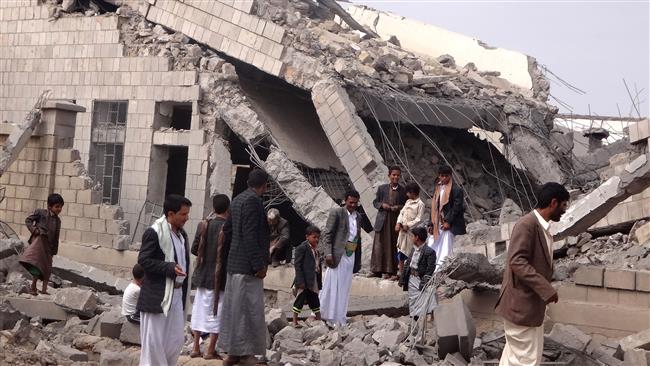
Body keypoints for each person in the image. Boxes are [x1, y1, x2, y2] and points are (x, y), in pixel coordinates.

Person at [495, 182, 569, 366]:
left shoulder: (539, 226)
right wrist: (546, 289)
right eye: (563, 205)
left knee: (516, 357)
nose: (565, 210)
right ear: (553, 203)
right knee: (526, 360)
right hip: (521, 305)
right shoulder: (526, 224)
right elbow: (517, 261)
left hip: (529, 305)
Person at [218, 169, 270, 366]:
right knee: (248, 311)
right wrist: (258, 264)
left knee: (234, 310)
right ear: (264, 185)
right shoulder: (253, 202)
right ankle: (245, 353)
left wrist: (236, 250)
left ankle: (233, 353)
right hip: (247, 268)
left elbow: (228, 229)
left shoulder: (238, 199)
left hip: (235, 265)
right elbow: (250, 235)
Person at [137, 194, 192, 366]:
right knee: (154, 344)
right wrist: (168, 267)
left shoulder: (181, 235)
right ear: (170, 214)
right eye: (183, 214)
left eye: (187, 214)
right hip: (158, 297)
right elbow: (143, 260)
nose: (186, 218)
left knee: (174, 341)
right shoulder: (154, 232)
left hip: (175, 296)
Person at [189, 194, 230, 360]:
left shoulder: (203, 225)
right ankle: (210, 350)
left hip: (202, 275)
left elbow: (194, 249)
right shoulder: (228, 228)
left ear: (214, 208)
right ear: (228, 208)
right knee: (217, 311)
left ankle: (195, 347)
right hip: (220, 278)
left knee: (199, 310)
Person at [319, 189, 365, 327]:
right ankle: (325, 314)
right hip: (336, 255)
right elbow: (327, 234)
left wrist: (358, 258)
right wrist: (328, 253)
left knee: (345, 286)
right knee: (332, 284)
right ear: (345, 200)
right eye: (351, 202)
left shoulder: (358, 217)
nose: (353, 205)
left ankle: (340, 317)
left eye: (355, 203)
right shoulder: (337, 213)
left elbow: (357, 238)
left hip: (350, 255)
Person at [19, 193, 64, 296]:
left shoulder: (58, 221)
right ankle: (33, 287)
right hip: (39, 243)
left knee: (47, 267)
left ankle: (44, 289)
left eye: (61, 207)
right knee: (36, 264)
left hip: (49, 246)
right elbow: (28, 220)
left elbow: (56, 236)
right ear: (49, 206)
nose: (59, 209)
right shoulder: (41, 213)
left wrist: (54, 250)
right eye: (57, 206)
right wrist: (35, 230)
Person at [371, 166, 407, 280]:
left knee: (392, 245)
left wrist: (398, 207)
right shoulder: (382, 189)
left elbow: (406, 206)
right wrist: (382, 205)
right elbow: (375, 202)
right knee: (379, 245)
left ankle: (390, 271)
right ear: (389, 176)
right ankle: (376, 270)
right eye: (393, 175)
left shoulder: (403, 190)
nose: (395, 177)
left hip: (395, 221)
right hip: (382, 220)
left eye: (397, 175)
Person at [428, 165, 466, 269]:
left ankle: (442, 270)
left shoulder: (456, 190)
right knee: (433, 245)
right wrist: (431, 224)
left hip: (451, 224)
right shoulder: (438, 189)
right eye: (441, 176)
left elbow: (456, 208)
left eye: (446, 176)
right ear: (438, 176)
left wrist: (448, 221)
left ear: (450, 176)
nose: (444, 178)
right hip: (438, 223)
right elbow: (434, 207)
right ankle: (432, 269)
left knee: (446, 248)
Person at [399, 227, 436, 318]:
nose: (411, 238)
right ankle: (413, 318)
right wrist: (402, 279)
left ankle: (425, 317)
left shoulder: (430, 252)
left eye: (412, 236)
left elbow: (430, 270)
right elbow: (408, 264)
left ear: (417, 237)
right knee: (413, 299)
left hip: (420, 278)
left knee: (424, 298)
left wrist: (423, 283)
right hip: (411, 278)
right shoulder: (413, 249)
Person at [292, 225, 322, 326]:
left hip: (313, 280)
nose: (316, 239)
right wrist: (300, 281)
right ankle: (294, 320)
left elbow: (318, 266)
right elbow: (298, 265)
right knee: (300, 300)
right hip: (304, 280)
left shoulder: (316, 250)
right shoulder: (302, 248)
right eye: (314, 237)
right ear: (307, 237)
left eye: (318, 237)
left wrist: (319, 282)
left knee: (314, 299)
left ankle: (319, 319)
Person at [395, 182, 426, 276]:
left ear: (412, 193)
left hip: (411, 233)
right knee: (400, 251)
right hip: (402, 232)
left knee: (409, 252)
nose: (407, 195)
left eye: (408, 193)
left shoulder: (420, 204)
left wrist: (408, 225)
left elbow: (419, 219)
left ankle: (409, 274)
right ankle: (400, 273)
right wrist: (398, 222)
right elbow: (402, 212)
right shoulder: (408, 202)